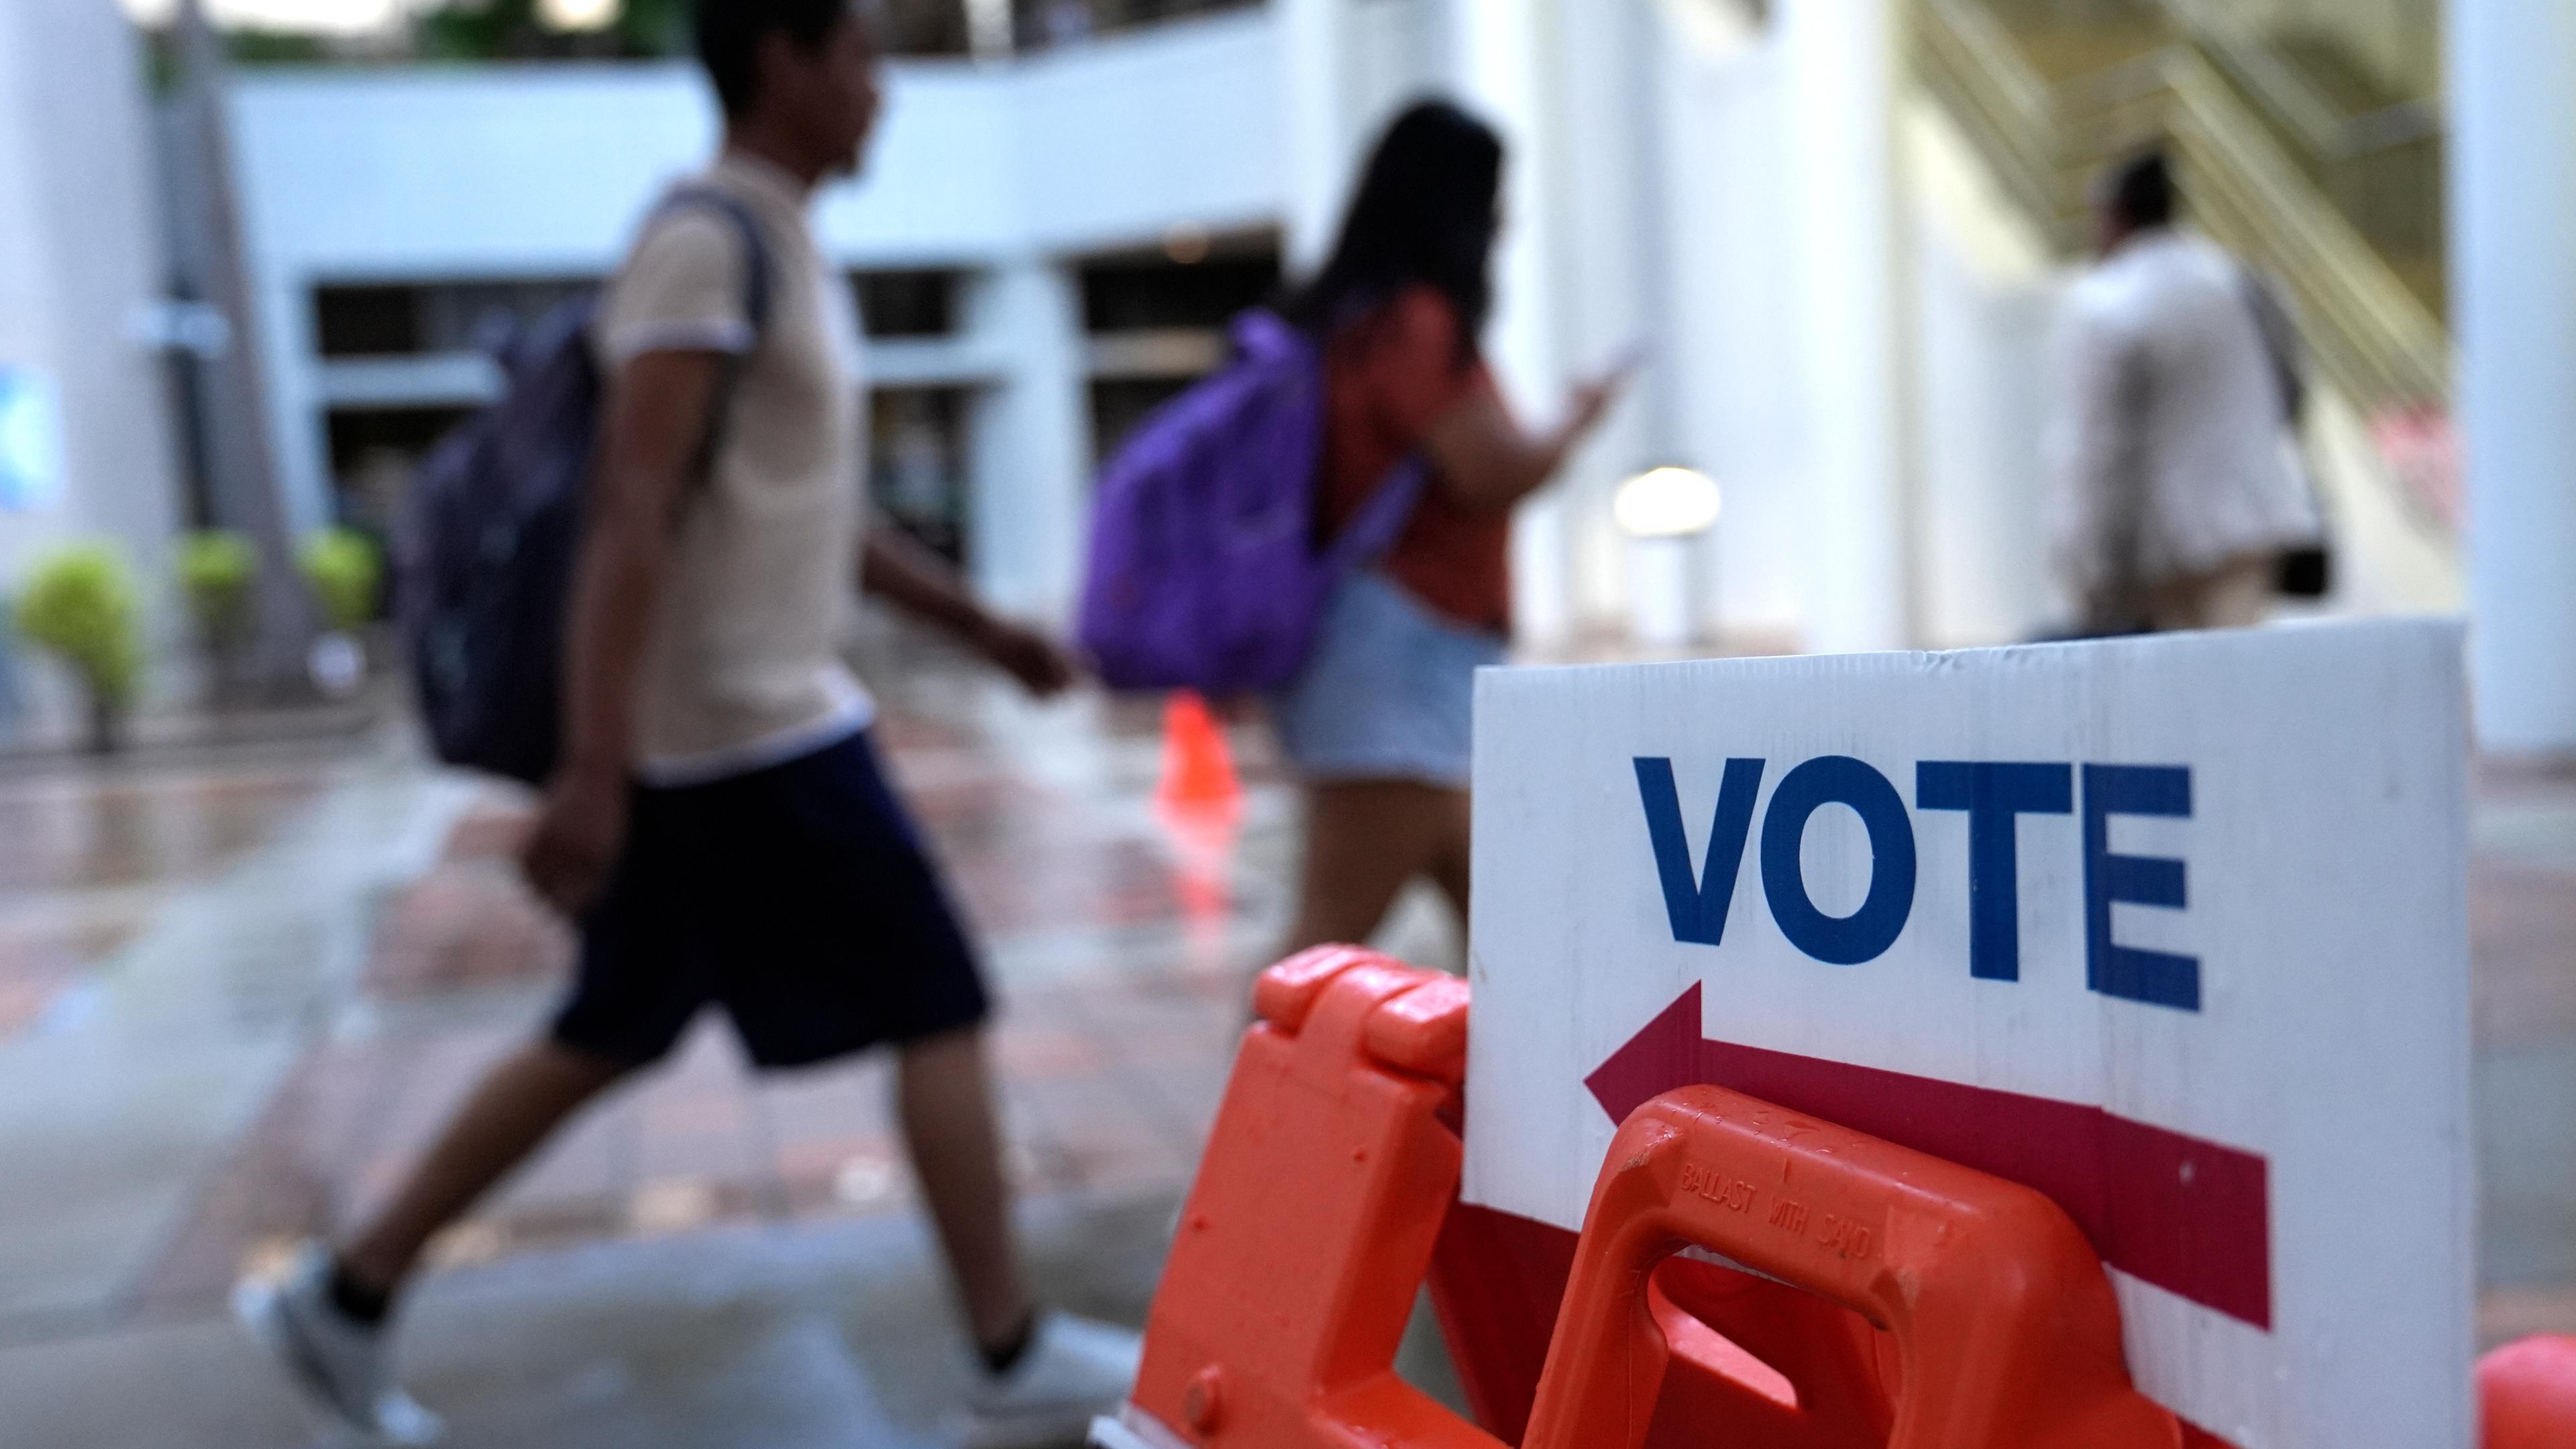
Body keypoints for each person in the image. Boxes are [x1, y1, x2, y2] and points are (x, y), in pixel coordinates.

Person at [235, 4, 1138, 1444]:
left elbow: (806, 509)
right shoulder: (705, 242)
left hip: (730, 729)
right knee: (942, 1000)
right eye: (858, 53)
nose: (880, 91)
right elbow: (629, 507)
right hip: (746, 730)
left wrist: (983, 629)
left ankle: (344, 1297)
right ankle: (1006, 1343)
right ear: (782, 58)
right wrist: (592, 770)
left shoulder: (780, 237)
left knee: (612, 1026)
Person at [1267, 100, 1626, 959]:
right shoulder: (1410, 324)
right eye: (1493, 195)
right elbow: (1488, 473)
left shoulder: (1358, 318)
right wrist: (1576, 421)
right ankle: (1252, 1096)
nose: (1505, 219)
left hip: (1410, 657)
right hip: (1398, 657)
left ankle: (1509, 1092)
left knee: (1512, 928)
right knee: (1325, 942)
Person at [2050, 149, 2324, 635]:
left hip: (2167, 543)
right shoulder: (2238, 281)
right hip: (2251, 525)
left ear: (2114, 217)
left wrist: (2086, 562)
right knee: (2238, 678)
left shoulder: (2107, 303)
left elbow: (2098, 448)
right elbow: (2292, 394)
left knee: (2174, 693)